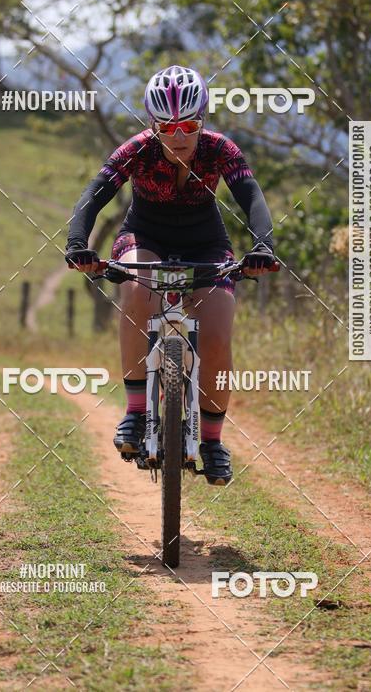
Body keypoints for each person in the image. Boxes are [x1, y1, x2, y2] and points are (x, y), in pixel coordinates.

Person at [65, 65, 275, 485]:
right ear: (152, 124)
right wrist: (77, 244)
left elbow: (251, 197)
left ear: (204, 119)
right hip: (145, 235)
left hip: (207, 243)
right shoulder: (137, 149)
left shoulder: (220, 150)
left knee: (216, 334)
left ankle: (213, 441)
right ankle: (136, 413)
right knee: (135, 293)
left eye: (189, 124)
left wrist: (262, 246)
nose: (179, 135)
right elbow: (93, 196)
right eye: (168, 126)